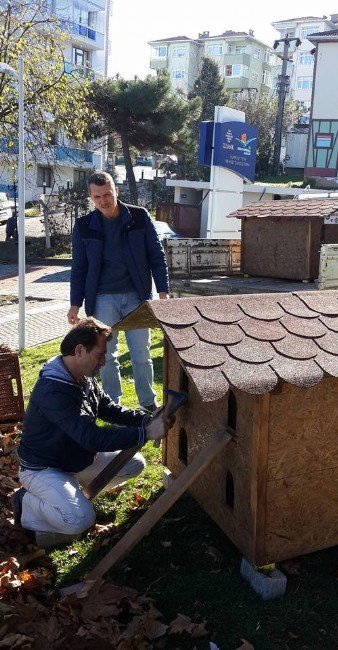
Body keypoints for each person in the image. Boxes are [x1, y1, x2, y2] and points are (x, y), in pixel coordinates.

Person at [13, 318, 172, 548]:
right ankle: (25, 502)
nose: (104, 361)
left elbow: (109, 409)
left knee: (134, 463)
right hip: (43, 469)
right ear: (79, 351)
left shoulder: (83, 378)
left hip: (76, 460)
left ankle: (67, 496)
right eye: (100, 354)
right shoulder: (52, 390)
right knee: (81, 519)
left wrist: (147, 418)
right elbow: (92, 437)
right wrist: (146, 432)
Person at [67, 171, 169, 411]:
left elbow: (157, 256)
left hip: (136, 296)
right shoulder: (84, 226)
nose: (104, 200)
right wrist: (75, 303)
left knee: (141, 352)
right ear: (91, 198)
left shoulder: (139, 217)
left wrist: (163, 291)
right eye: (97, 196)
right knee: (105, 355)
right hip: (101, 299)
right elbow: (79, 267)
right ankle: (113, 405)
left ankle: (148, 403)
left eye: (108, 194)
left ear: (116, 191)